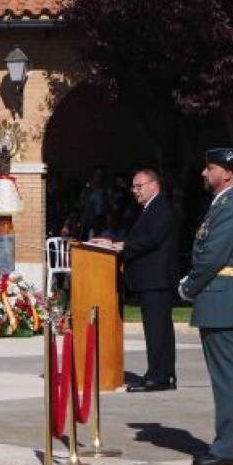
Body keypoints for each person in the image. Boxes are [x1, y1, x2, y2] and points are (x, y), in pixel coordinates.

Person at [179, 148, 233, 465]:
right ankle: (226, 443)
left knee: (226, 377)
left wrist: (188, 285)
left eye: (208, 168)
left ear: (226, 173)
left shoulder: (232, 206)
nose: (203, 173)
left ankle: (227, 447)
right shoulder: (224, 204)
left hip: (221, 295)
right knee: (224, 375)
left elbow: (213, 256)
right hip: (219, 295)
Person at [92, 168, 177, 392]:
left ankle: (158, 377)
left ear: (154, 185)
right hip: (151, 280)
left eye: (139, 186)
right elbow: (143, 238)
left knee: (157, 330)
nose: (135, 191)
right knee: (159, 330)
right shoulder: (149, 209)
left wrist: (122, 247)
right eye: (133, 187)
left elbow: (152, 240)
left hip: (156, 280)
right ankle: (163, 373)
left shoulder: (160, 207)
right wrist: (115, 243)